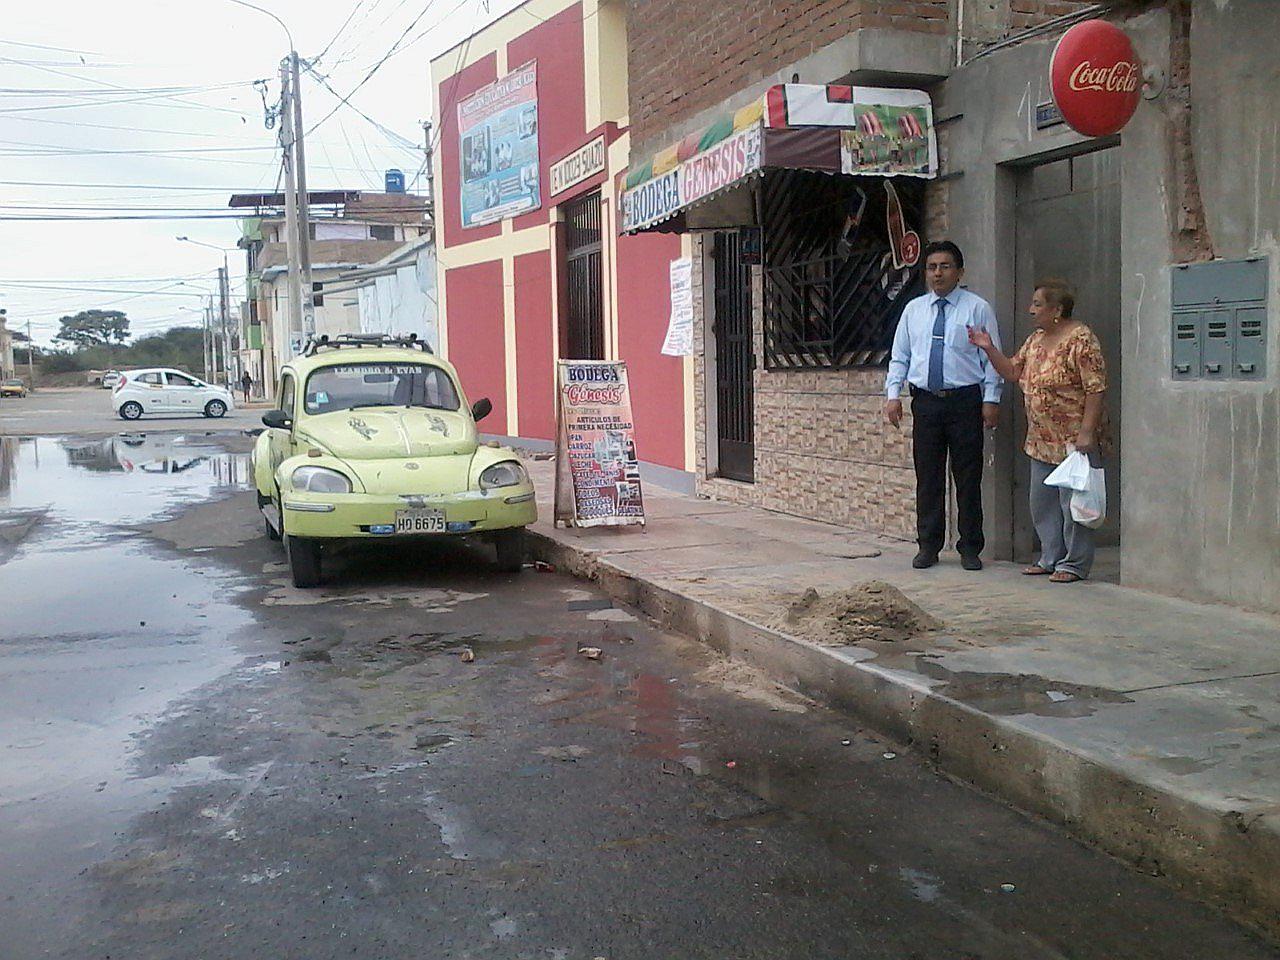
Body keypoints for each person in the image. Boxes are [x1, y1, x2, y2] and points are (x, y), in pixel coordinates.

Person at [968, 279, 1106, 583]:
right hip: (1041, 438)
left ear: (1056, 309)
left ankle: (1074, 563)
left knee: (1074, 506)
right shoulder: (1036, 340)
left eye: (1037, 305)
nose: (1031, 310)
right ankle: (1049, 557)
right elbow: (1013, 372)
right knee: (1041, 502)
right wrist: (988, 348)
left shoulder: (1081, 339)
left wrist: (1087, 431)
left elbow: (1095, 388)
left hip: (1072, 439)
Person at [884, 240, 1002, 571]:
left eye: (945, 266)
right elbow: (901, 356)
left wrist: (991, 399)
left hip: (965, 401)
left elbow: (991, 357)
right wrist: (893, 394)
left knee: (967, 477)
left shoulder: (977, 308)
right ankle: (928, 545)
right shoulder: (914, 310)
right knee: (929, 476)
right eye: (932, 267)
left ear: (960, 272)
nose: (938, 273)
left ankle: (969, 547)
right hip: (926, 403)